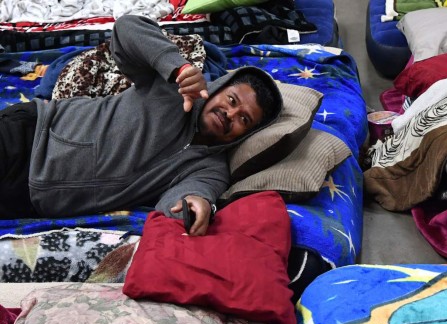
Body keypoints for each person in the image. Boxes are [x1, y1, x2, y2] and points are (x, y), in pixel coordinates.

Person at [0, 15, 283, 236]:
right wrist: (178, 67)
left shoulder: (212, 170)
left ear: (248, 133)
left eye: (244, 119)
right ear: (219, 88)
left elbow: (180, 203)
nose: (230, 114)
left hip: (31, 197)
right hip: (31, 135)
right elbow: (126, 29)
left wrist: (194, 206)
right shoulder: (170, 88)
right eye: (231, 100)